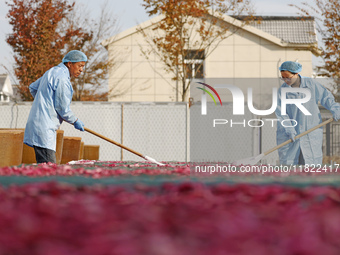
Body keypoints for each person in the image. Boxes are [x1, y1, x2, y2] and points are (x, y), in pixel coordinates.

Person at [24, 50, 87, 164]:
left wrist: (44, 102)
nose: (81, 69)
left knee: (44, 166)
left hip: (38, 124)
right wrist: (75, 121)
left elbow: (33, 87)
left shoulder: (52, 71)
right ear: (69, 63)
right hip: (45, 128)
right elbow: (63, 109)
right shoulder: (62, 79)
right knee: (49, 169)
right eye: (80, 65)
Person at [275, 61, 340, 165]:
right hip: (290, 136)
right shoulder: (282, 91)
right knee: (290, 167)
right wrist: (289, 128)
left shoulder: (311, 84)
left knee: (311, 165)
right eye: (283, 77)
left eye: (288, 77)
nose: (286, 80)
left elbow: (326, 97)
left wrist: (335, 109)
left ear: (296, 73)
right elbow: (281, 112)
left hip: (311, 132)